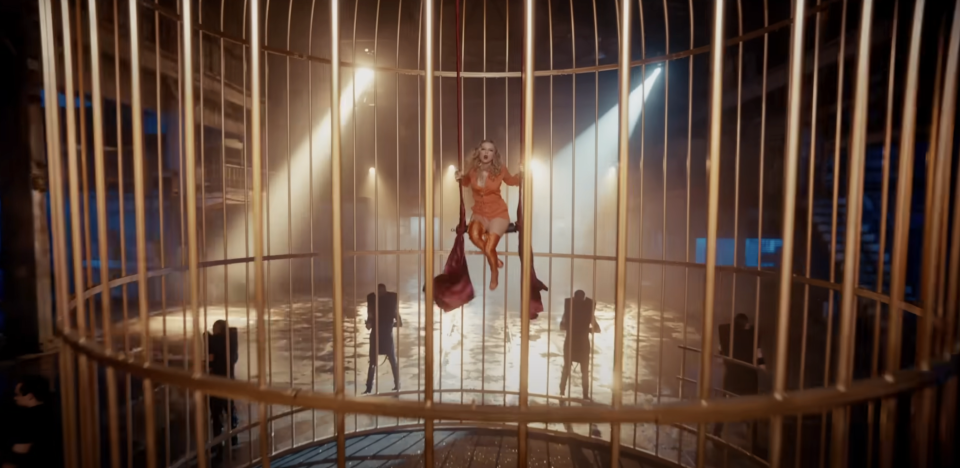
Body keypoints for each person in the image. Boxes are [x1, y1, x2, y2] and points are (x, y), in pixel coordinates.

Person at [455, 140, 523, 290]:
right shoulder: (472, 170)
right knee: (474, 236)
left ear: (494, 154)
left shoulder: (500, 170)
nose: (486, 153)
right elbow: (465, 182)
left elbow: (512, 181)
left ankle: (494, 273)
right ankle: (495, 258)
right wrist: (459, 176)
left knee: (489, 247)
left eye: (490, 150)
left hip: (498, 213)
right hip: (479, 213)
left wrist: (522, 175)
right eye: (483, 149)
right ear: (479, 152)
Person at [713, 313, 764, 442]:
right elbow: (758, 354)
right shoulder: (751, 336)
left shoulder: (726, 335)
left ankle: (716, 433)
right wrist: (763, 366)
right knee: (753, 405)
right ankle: (753, 438)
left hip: (732, 376)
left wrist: (722, 361)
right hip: (748, 377)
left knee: (724, 402)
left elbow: (721, 351)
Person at [2, 375, 61, 468]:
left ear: (30, 396)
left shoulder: (29, 418)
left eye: (18, 394)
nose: (15, 398)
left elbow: (18, 455)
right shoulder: (52, 412)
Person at [559, 290, 600, 400]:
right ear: (584, 298)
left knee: (566, 368)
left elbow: (561, 326)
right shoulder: (588, 311)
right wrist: (586, 329)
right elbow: (597, 329)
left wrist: (571, 327)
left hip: (570, 342)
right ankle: (585, 395)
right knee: (584, 371)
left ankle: (562, 392)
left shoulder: (568, 310)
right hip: (583, 344)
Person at [206, 320, 239, 447]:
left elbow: (210, 361)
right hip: (229, 381)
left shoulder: (213, 343)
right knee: (230, 409)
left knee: (216, 412)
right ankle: (233, 436)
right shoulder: (231, 344)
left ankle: (217, 441)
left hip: (216, 382)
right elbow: (234, 359)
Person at [364, 284, 401, 394]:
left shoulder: (373, 303)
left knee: (374, 363)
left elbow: (369, 324)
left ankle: (369, 388)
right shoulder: (391, 302)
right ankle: (396, 385)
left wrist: (371, 324)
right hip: (384, 335)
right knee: (388, 361)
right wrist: (388, 325)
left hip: (378, 335)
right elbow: (399, 323)